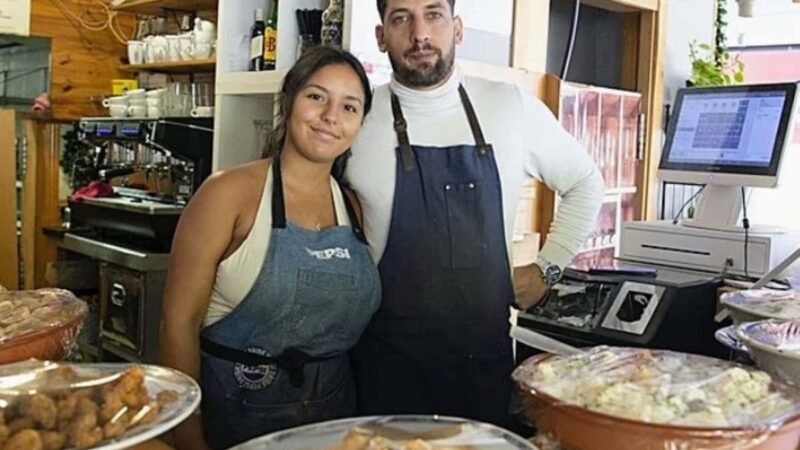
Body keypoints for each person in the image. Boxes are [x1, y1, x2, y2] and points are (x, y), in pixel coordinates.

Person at [346, 0, 605, 428]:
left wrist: (548, 269)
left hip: (482, 369)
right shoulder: (356, 118)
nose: (419, 33)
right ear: (380, 36)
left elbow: (586, 183)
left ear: (458, 29)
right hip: (384, 368)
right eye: (400, 18)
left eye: (434, 15)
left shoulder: (509, 107)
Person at [159, 46, 380, 450]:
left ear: (360, 124)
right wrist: (188, 435)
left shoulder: (352, 207)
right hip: (234, 418)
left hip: (335, 424)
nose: (331, 116)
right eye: (316, 97)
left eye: (349, 107)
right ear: (289, 100)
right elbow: (178, 324)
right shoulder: (227, 194)